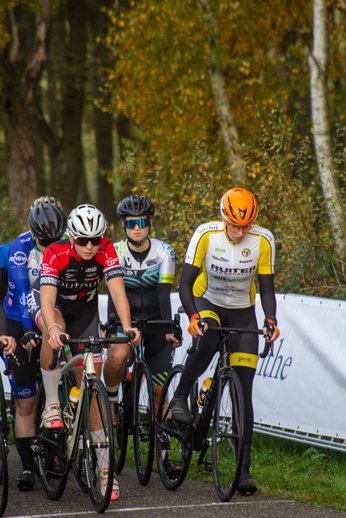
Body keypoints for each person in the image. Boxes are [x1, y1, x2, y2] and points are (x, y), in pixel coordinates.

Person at [170, 187, 280, 495]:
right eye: (234, 225)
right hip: (207, 301)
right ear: (224, 217)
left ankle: (243, 471)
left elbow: (267, 289)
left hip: (243, 313)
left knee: (244, 391)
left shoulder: (263, 240)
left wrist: (271, 320)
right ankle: (180, 396)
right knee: (208, 338)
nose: (240, 232)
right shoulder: (206, 235)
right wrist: (193, 317)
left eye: (246, 226)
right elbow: (185, 285)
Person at [31, 204, 140, 502]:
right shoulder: (56, 252)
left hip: (85, 311)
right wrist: (53, 329)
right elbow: (48, 297)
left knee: (91, 389)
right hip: (54, 307)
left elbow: (117, 291)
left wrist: (128, 327)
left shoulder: (106, 250)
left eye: (95, 240)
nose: (90, 247)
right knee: (52, 331)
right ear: (72, 237)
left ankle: (105, 471)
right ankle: (52, 404)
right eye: (82, 241)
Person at [3, 196, 67, 491]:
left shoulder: (69, 241)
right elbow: (26, 290)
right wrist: (28, 330)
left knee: (59, 388)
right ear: (33, 232)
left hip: (53, 314)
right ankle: (28, 467)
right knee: (26, 401)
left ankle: (60, 448)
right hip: (19, 318)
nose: (48, 244)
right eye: (43, 239)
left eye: (53, 239)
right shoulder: (20, 247)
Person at [106, 195, 180, 416]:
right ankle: (112, 402)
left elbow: (163, 293)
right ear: (124, 226)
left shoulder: (164, 251)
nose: (136, 228)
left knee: (159, 392)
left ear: (149, 224)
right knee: (117, 357)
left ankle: (163, 445)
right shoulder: (115, 251)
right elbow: (113, 294)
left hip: (157, 322)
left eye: (141, 222)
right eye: (131, 223)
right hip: (124, 321)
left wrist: (168, 329)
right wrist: (112, 326)